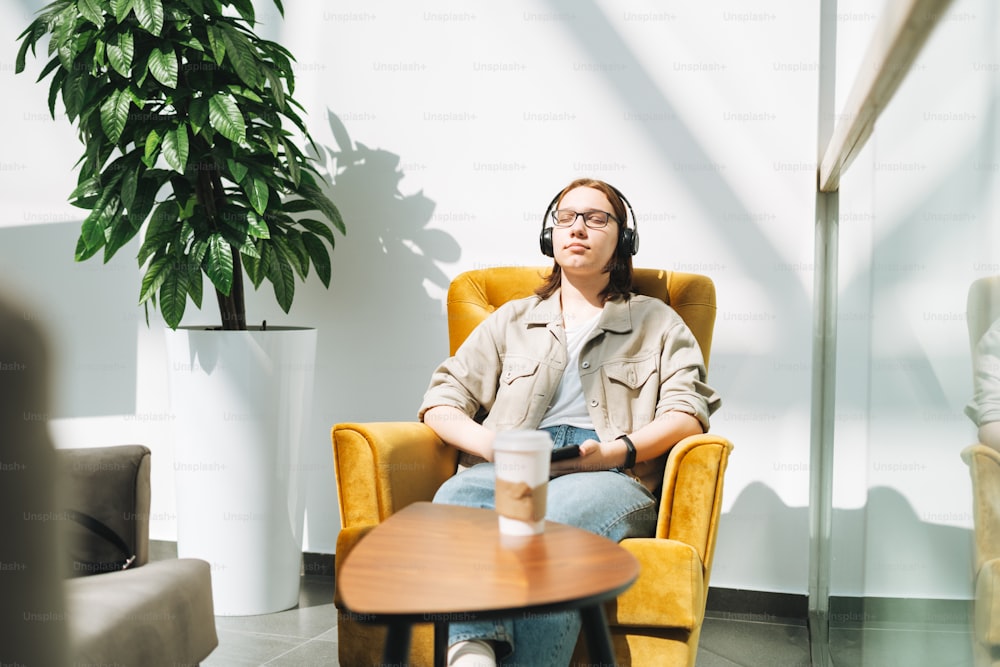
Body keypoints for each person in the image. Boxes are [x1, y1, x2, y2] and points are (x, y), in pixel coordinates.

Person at [418, 177, 721, 666]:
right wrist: (491, 445)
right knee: (455, 500)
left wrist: (616, 451)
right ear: (550, 236)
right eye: (566, 217)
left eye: (596, 218)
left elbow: (687, 413)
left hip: (608, 468)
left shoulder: (657, 321)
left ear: (622, 241)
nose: (577, 227)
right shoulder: (511, 320)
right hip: (515, 456)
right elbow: (442, 399)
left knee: (555, 526)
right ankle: (472, 654)